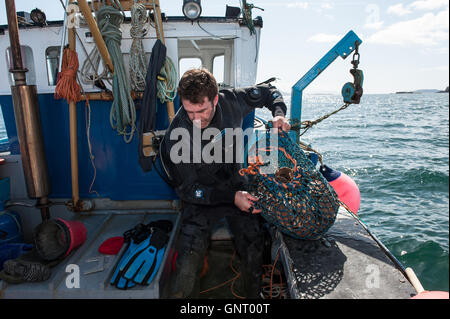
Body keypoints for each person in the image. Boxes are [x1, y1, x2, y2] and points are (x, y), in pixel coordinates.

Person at [159, 68, 290, 298]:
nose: (195, 119)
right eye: (189, 111)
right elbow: (188, 191)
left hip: (236, 185)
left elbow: (270, 92)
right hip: (201, 198)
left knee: (254, 246)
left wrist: (279, 114)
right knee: (188, 262)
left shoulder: (233, 100)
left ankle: (252, 296)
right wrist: (231, 198)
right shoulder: (176, 136)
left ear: (216, 98)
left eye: (202, 110)